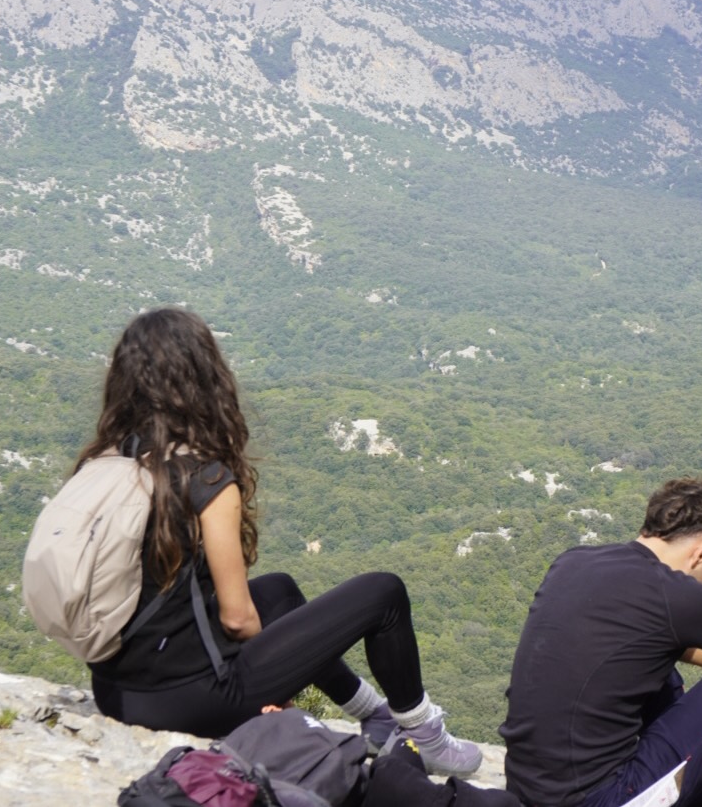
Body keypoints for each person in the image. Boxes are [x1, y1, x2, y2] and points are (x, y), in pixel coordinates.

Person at [80, 306, 481, 778]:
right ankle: (424, 735)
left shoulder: (109, 465)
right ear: (205, 379)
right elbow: (236, 617)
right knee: (384, 592)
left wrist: (284, 651)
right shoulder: (203, 480)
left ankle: (373, 715)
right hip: (188, 702)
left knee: (279, 591)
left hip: (116, 689)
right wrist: (275, 672)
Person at [500, 476, 702, 807]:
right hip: (601, 799)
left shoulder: (573, 561)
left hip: (527, 791)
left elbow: (643, 638)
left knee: (655, 664)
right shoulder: (678, 595)